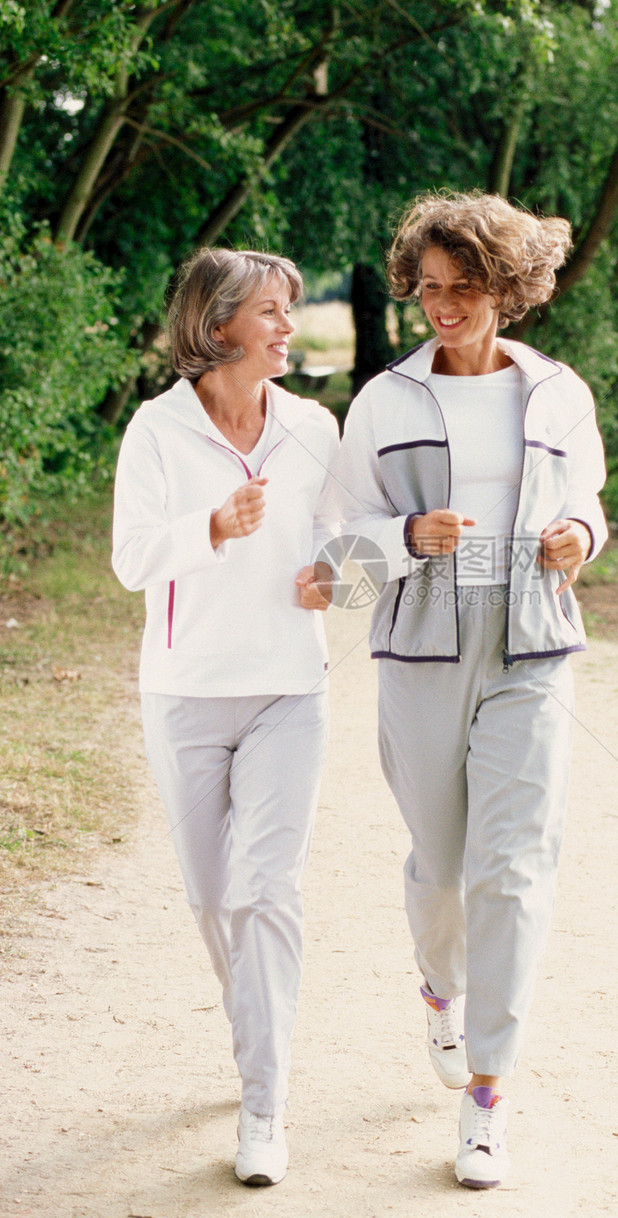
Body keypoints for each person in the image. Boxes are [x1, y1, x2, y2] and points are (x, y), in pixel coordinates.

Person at [331, 191, 608, 1188]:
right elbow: (335, 562)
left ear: (510, 289)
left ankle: (486, 1096)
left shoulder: (557, 395)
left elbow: (586, 507)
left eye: (464, 288)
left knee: (512, 871)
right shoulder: (382, 403)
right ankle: (439, 994)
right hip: (419, 649)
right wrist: (405, 539)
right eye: (429, 289)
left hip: (530, 642)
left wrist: (579, 538)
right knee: (443, 870)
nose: (442, 306)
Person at [112, 247, 338, 1187]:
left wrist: (344, 580)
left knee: (265, 892)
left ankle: (264, 1105)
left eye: (289, 310)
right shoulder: (157, 431)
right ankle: (256, 1019)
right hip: (187, 692)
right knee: (214, 899)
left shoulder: (317, 427)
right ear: (217, 327)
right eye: (272, 312)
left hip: (291, 686)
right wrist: (210, 528)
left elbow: (350, 543)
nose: (289, 325)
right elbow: (131, 562)